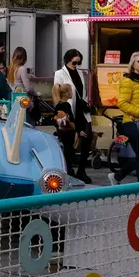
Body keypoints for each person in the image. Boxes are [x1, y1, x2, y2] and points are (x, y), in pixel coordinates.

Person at [53, 49, 94, 183]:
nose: (76, 64)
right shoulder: (59, 73)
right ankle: (69, 171)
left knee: (88, 138)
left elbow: (82, 92)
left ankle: (81, 170)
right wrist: (60, 110)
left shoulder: (80, 73)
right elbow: (57, 92)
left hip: (82, 111)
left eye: (79, 62)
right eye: (74, 62)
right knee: (69, 142)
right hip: (68, 111)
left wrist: (86, 103)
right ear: (68, 60)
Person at [114, 51, 139, 183]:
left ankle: (118, 176)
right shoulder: (128, 80)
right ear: (133, 64)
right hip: (131, 122)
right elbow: (122, 103)